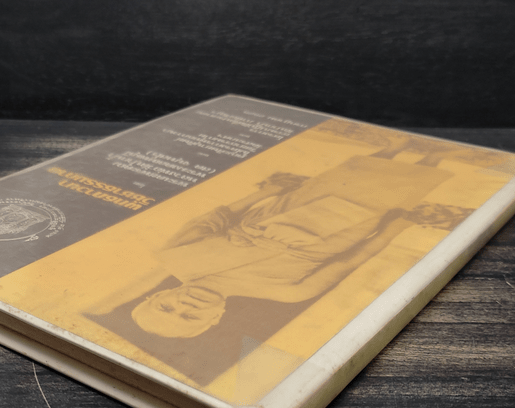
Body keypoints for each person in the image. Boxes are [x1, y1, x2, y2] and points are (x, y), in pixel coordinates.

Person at [130, 138, 476, 338]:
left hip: (277, 214)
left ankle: (392, 148)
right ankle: (433, 156)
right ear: (215, 318)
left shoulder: (173, 256)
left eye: (167, 307)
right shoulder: (287, 293)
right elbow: (350, 260)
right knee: (394, 191)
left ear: (159, 294)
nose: (185, 306)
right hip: (344, 227)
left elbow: (212, 220)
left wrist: (265, 193)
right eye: (189, 318)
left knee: (343, 177)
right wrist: (393, 228)